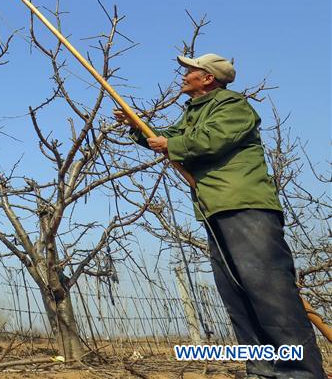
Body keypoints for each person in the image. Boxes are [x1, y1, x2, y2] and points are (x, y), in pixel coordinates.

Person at [114, 53, 325, 379]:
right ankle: (263, 371)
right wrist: (137, 127)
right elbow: (166, 136)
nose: (183, 75)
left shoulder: (232, 106)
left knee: (269, 293)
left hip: (245, 207)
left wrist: (169, 143)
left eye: (190, 70)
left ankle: (300, 374)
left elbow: (209, 140)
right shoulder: (194, 113)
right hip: (214, 210)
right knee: (238, 297)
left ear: (208, 78)